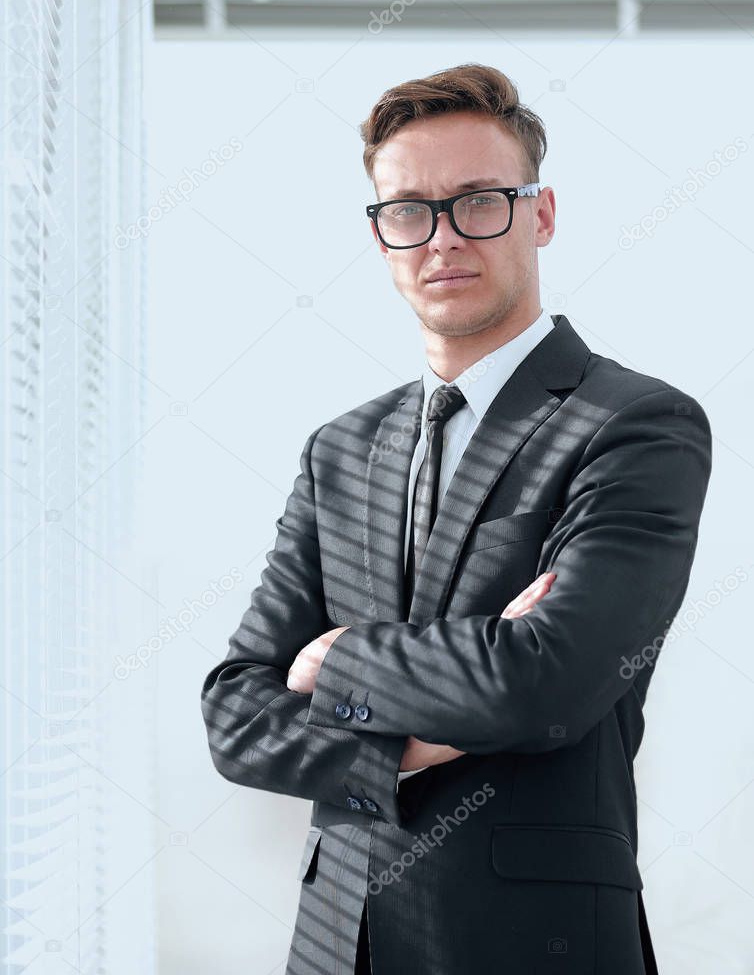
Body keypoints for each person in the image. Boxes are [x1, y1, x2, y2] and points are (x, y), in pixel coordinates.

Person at [200, 63, 712, 975]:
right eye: (409, 211)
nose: (442, 238)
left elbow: (547, 683)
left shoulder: (636, 424)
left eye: (479, 200)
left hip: (533, 945)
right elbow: (237, 713)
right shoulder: (340, 450)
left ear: (540, 213)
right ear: (381, 235)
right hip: (336, 944)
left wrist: (336, 659)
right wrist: (421, 735)